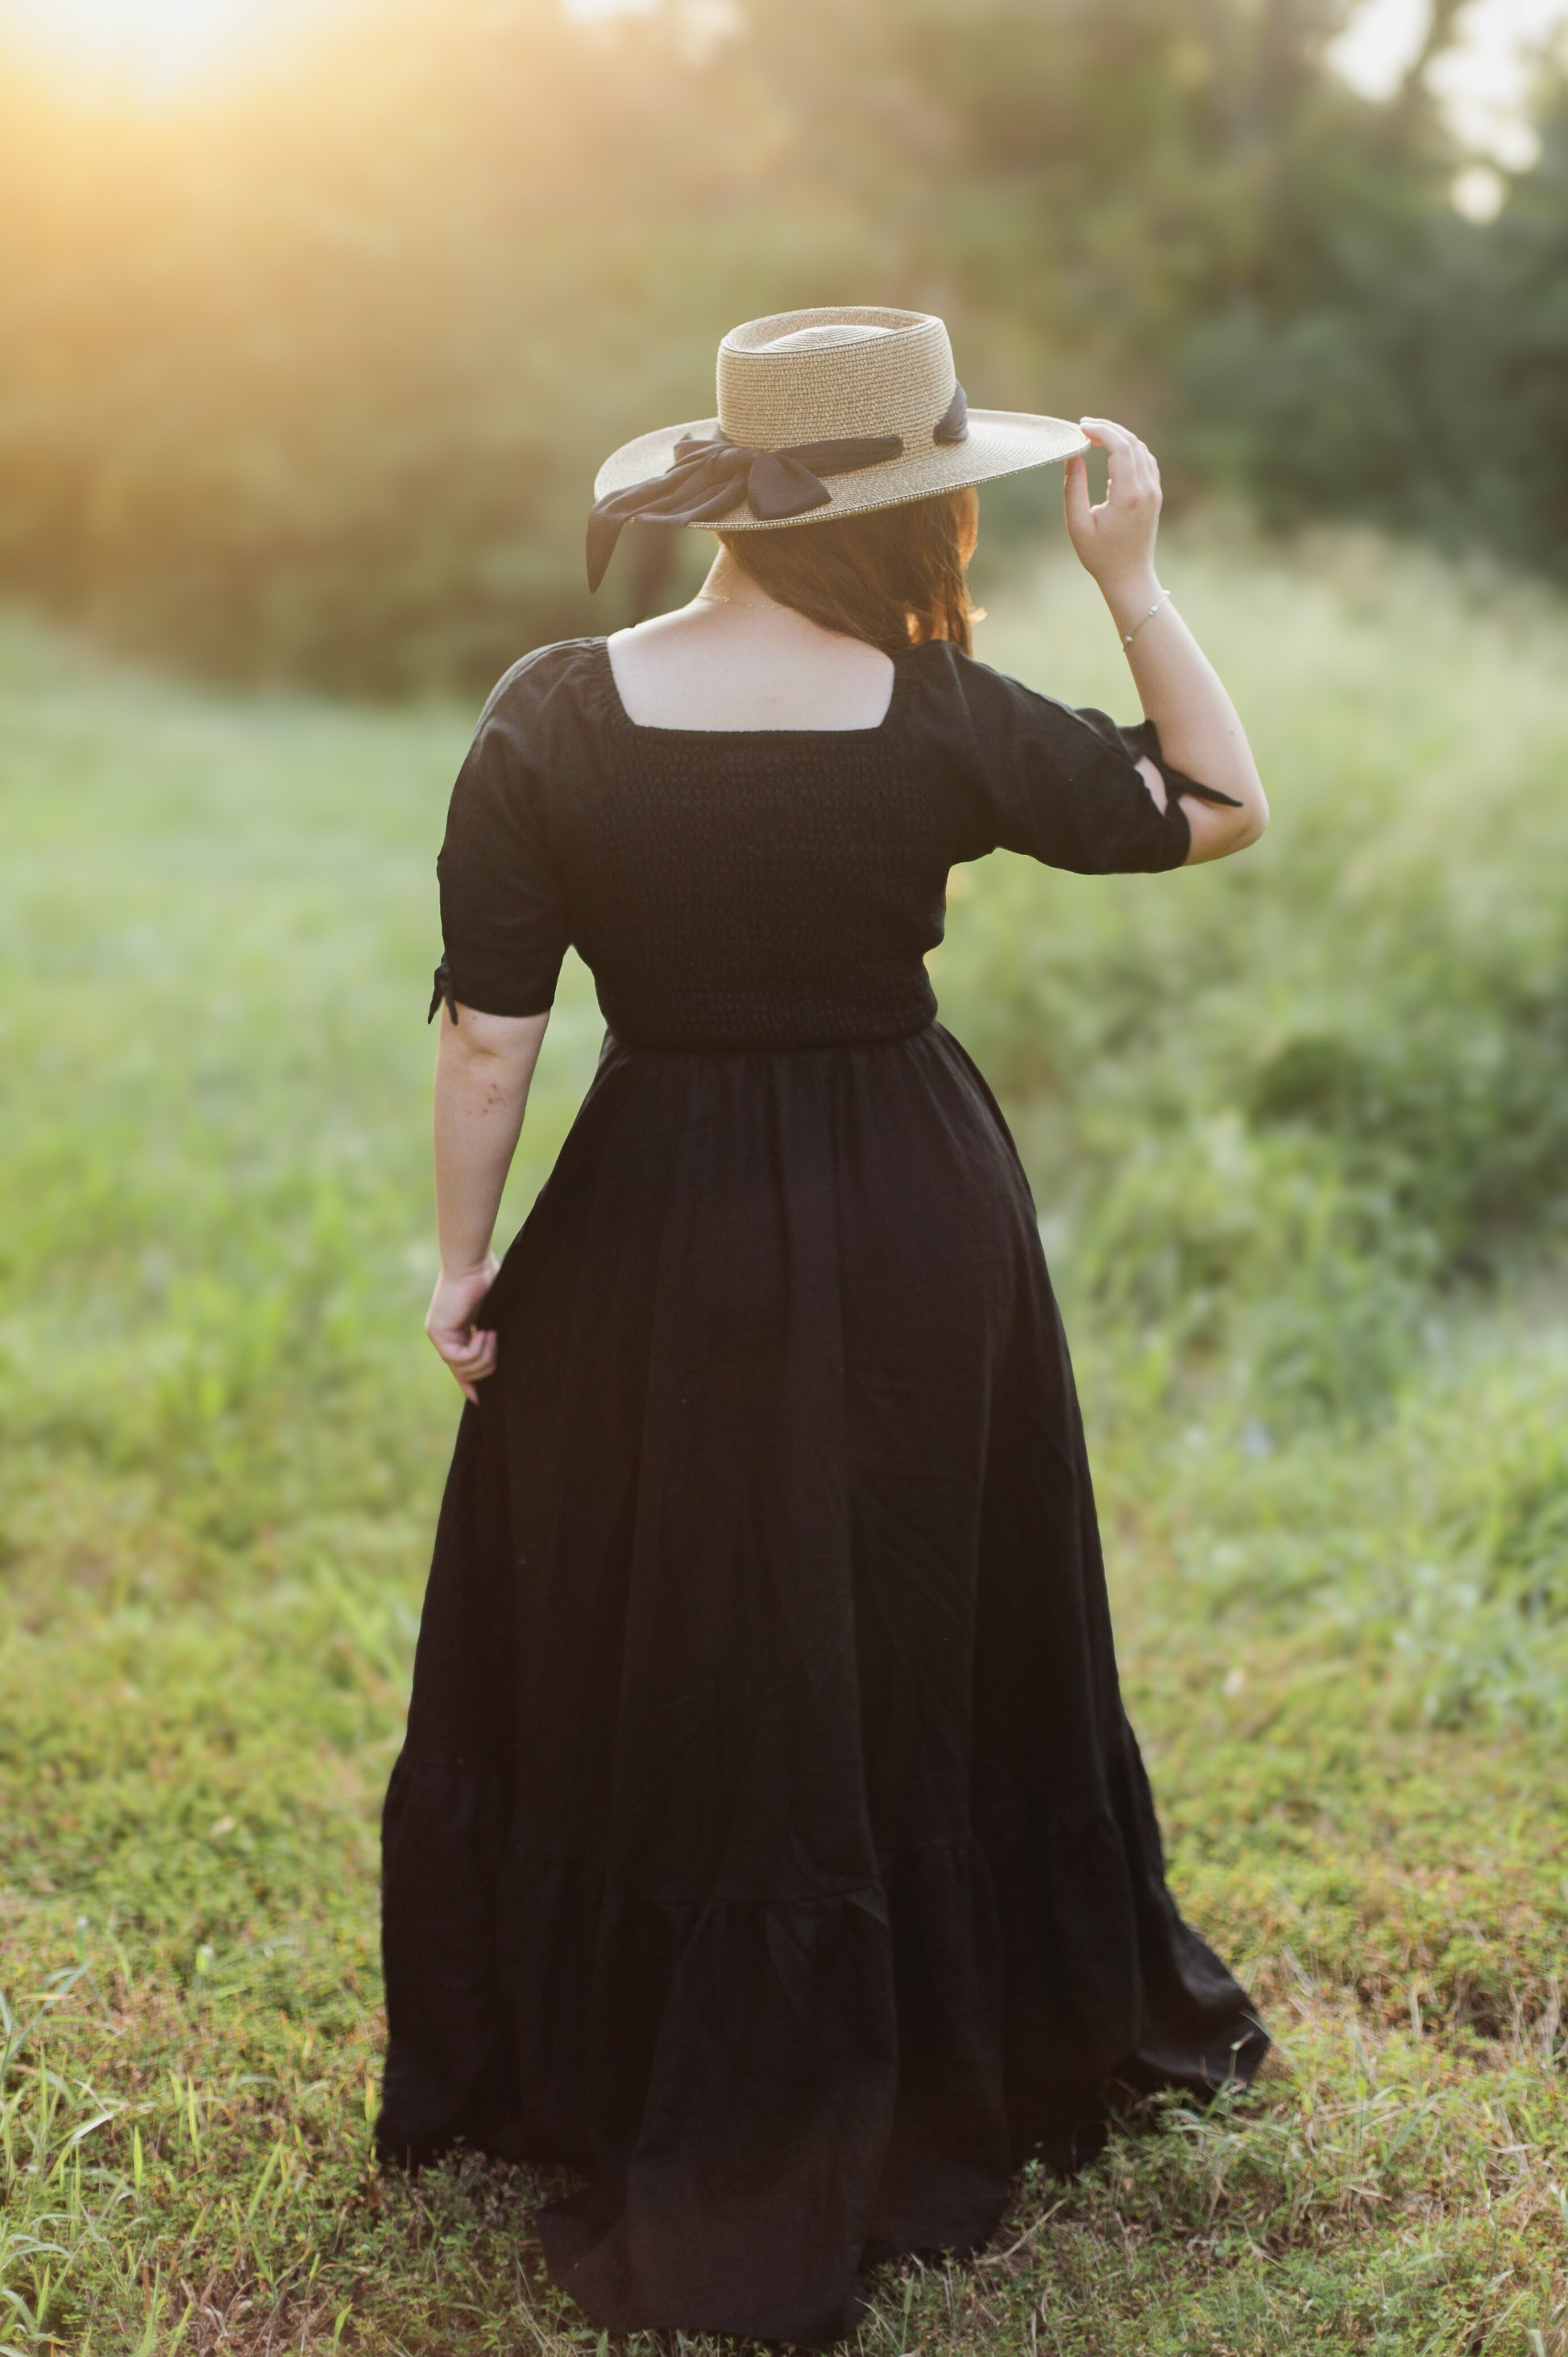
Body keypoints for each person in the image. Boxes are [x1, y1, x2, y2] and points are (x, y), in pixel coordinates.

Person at [376, 305, 1270, 2345]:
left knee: (670, 1619)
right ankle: (946, 2025)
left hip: (651, 1214)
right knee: (914, 1601)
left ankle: (645, 2041)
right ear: (904, 510)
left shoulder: (550, 710)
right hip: (914, 1210)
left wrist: (464, 1260)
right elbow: (1213, 802)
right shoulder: (937, 706)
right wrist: (1135, 583)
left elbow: (494, 1042)